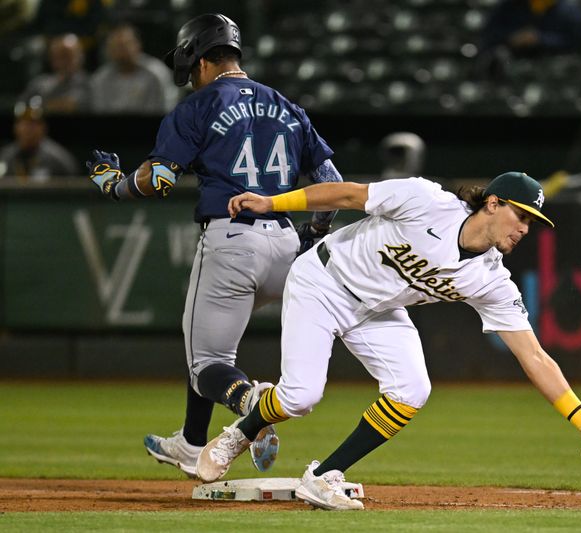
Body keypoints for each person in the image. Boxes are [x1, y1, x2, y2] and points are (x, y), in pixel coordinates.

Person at [196, 172, 581, 510]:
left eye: (532, 223)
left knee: (413, 389)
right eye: (520, 216)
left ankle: (323, 476)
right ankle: (244, 429)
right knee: (301, 397)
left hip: (377, 310)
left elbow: (534, 356)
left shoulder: (492, 279)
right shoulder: (426, 200)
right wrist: (273, 203)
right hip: (324, 281)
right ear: (493, 203)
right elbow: (348, 195)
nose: (525, 228)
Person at [85, 13, 342, 478]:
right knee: (202, 343)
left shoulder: (200, 105)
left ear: (200, 60)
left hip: (232, 239)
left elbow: (159, 180)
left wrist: (115, 185)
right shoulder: (284, 104)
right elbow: (331, 181)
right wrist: (313, 232)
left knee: (206, 364)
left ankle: (255, 407)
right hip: (286, 246)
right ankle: (191, 442)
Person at [90, 24, 178, 114]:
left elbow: (166, 109)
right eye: (115, 46)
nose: (121, 51)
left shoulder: (156, 74)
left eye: (125, 45)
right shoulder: (100, 78)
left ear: (137, 45)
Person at [0, 100, 79, 182]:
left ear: (43, 128)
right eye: (24, 123)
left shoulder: (58, 160)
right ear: (15, 127)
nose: (28, 129)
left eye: (33, 124)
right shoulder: (5, 157)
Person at [19, 33, 91, 114]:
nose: (62, 62)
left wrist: (44, 106)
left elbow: (71, 106)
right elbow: (20, 108)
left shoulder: (92, 83)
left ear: (80, 56)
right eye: (57, 56)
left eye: (66, 56)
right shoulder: (38, 84)